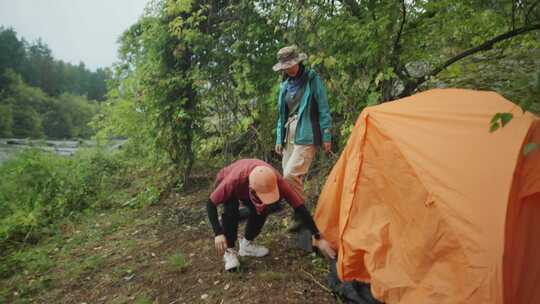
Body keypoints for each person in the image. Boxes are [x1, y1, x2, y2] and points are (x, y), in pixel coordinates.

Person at [206, 158, 336, 271]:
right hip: (231, 182)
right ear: (252, 190)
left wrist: (318, 236)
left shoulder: (277, 180)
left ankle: (246, 245)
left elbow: (300, 208)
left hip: (251, 186)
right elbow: (210, 204)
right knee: (231, 209)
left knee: (263, 209)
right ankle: (230, 251)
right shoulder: (233, 181)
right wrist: (218, 233)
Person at [273, 45, 332, 230]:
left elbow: (323, 107)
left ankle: (301, 213)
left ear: (299, 62)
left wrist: (327, 135)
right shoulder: (285, 85)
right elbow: (281, 114)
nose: (289, 69)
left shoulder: (312, 79)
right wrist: (278, 138)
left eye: (291, 65)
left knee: (291, 173)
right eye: (285, 66)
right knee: (286, 179)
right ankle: (299, 215)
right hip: (288, 132)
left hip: (307, 131)